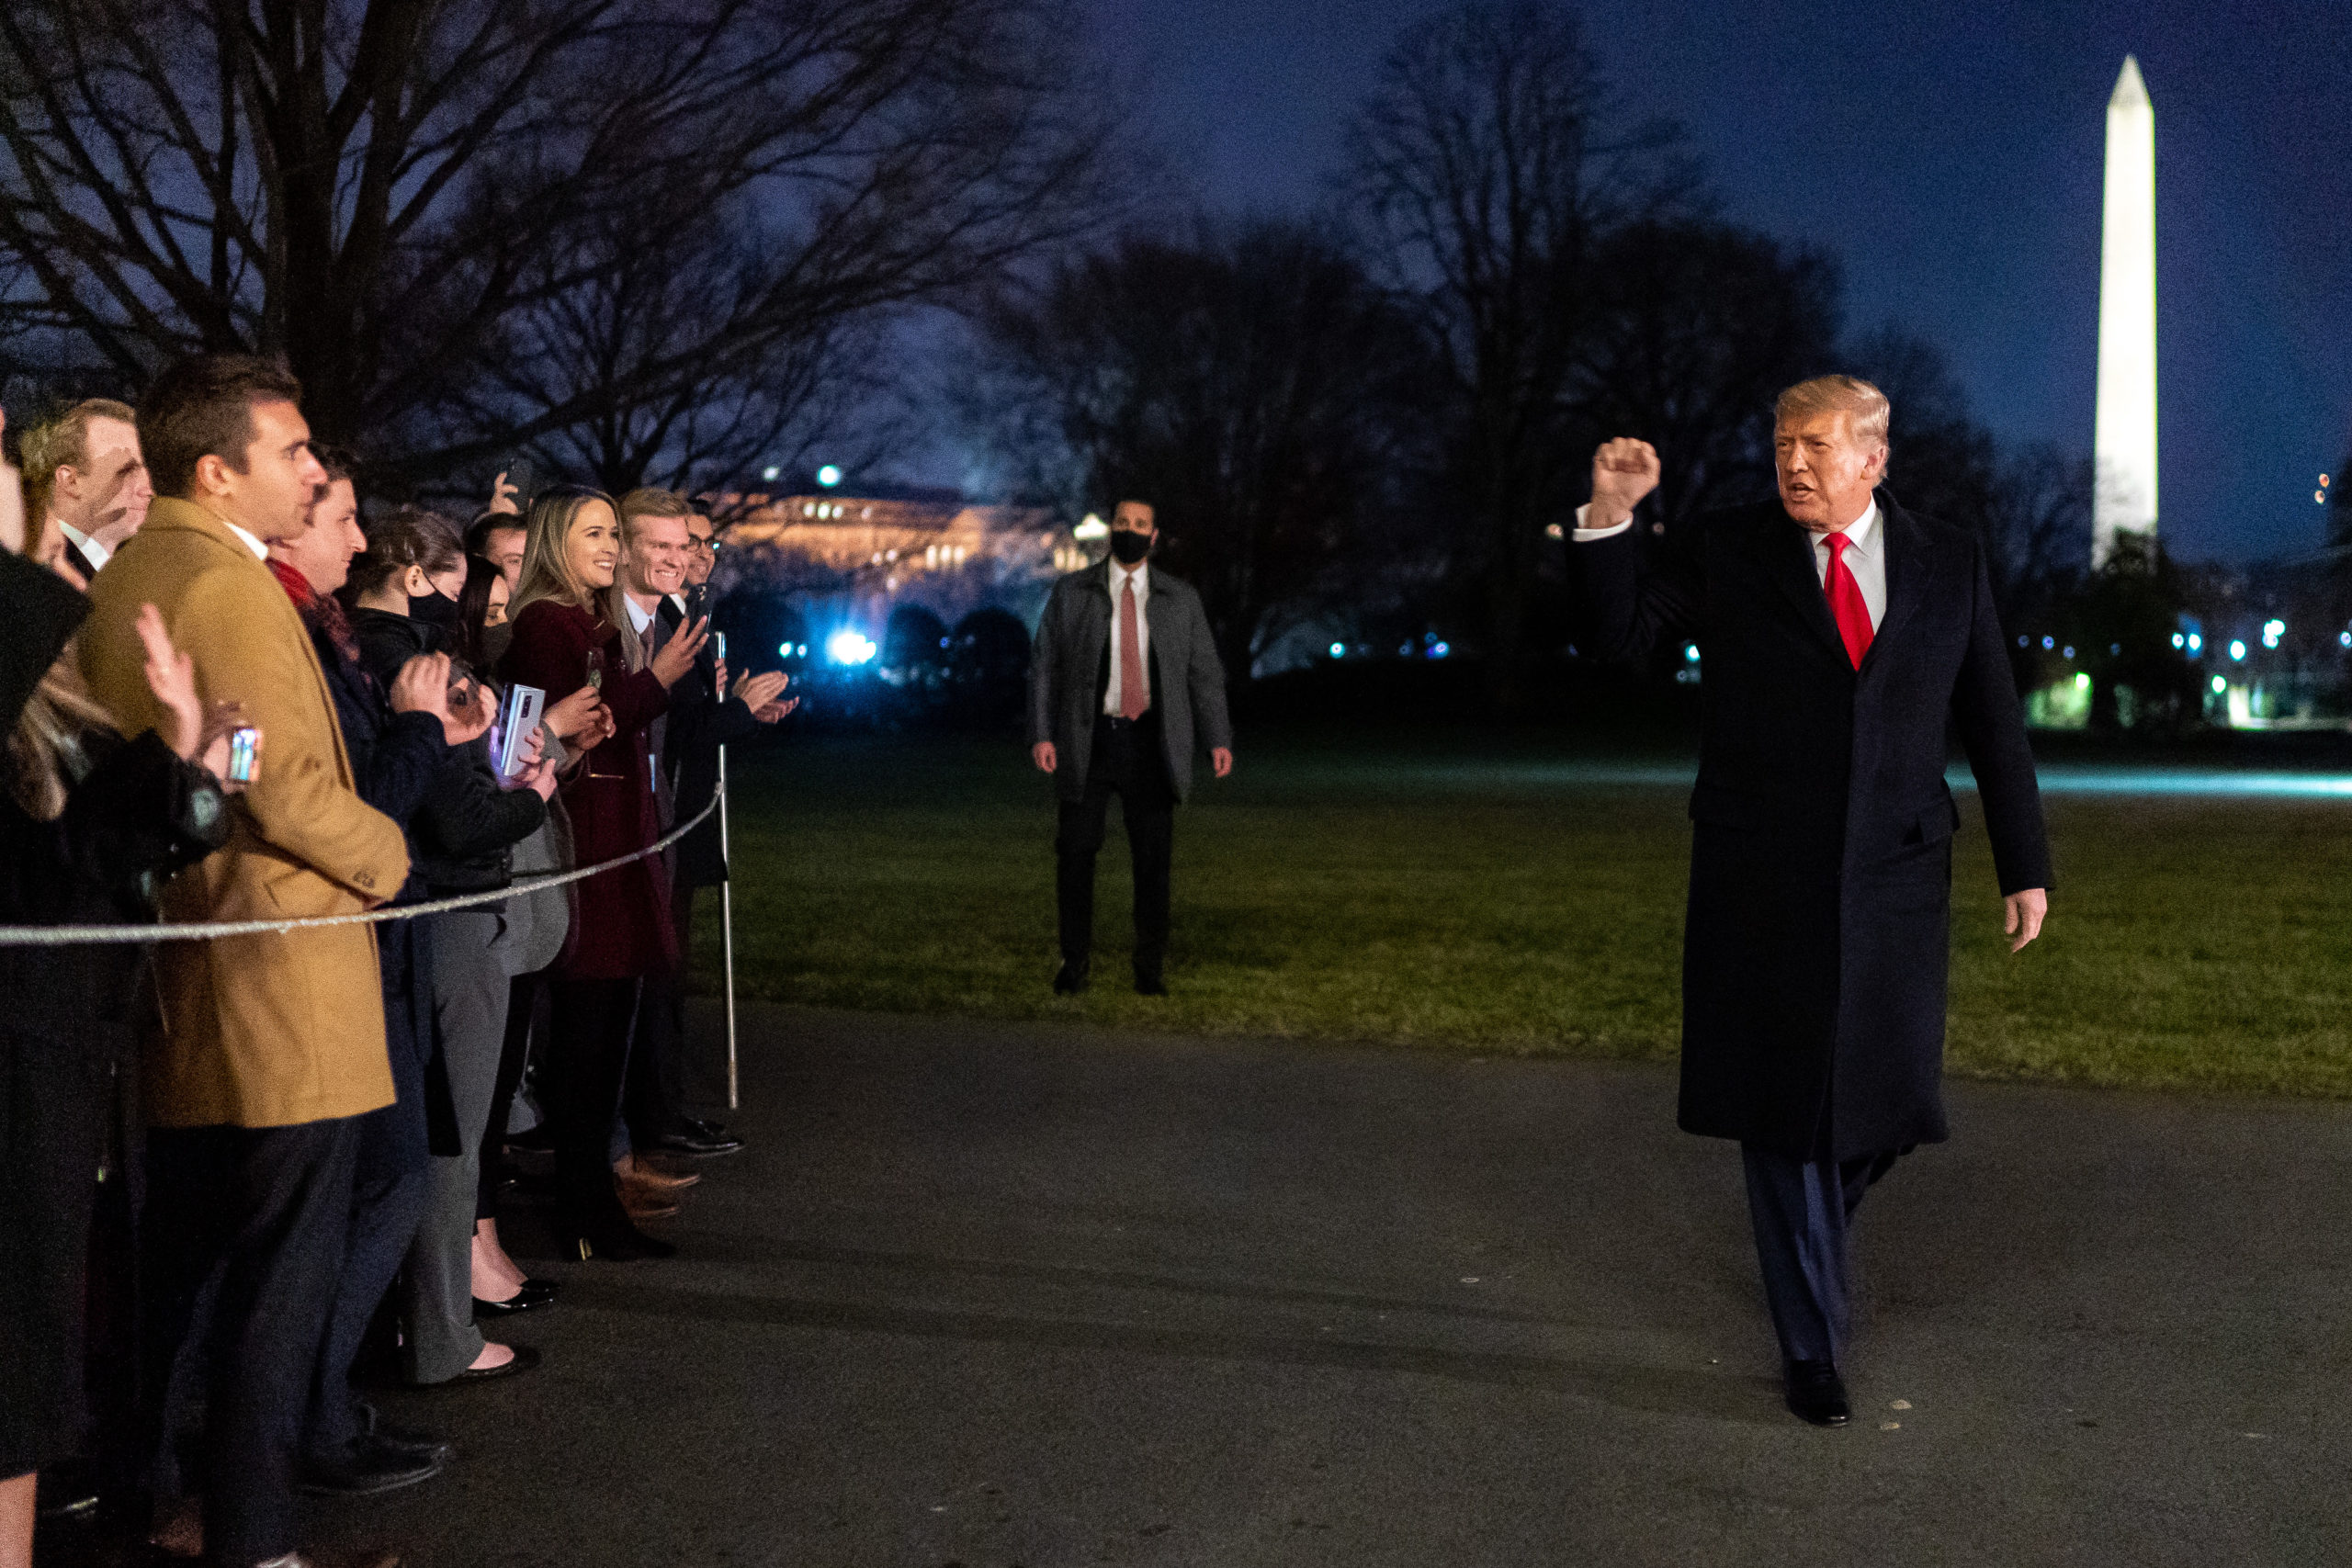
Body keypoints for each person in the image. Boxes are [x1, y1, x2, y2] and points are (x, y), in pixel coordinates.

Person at [1571, 375, 2052, 1427]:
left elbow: (1993, 721)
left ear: (1874, 457)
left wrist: (2026, 865)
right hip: (1761, 875)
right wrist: (1612, 520)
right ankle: (1810, 1347)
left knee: (1885, 1102)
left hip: (1897, 875)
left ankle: (1806, 1239)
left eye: (1817, 446)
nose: (1793, 464)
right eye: (1782, 444)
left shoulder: (1947, 558)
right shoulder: (1724, 548)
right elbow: (1622, 649)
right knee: (1784, 1108)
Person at [75, 354, 412, 1568]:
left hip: (209, 980)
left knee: (189, 1276)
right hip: (273, 984)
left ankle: (153, 1505)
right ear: (219, 469)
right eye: (296, 452)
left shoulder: (152, 566)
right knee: (275, 1291)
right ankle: (256, 1540)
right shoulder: (220, 584)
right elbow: (280, 781)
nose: (317, 471)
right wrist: (388, 850)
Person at [2, 516, 233, 1568]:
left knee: (30, 1375)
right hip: (23, 1057)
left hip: (60, 1047)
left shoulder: (49, 702)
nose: (65, 548)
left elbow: (82, 846)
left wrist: (185, 767)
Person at [341, 507, 561, 1381]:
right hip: (448, 908)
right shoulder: (404, 659)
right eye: (461, 593)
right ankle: (440, 1333)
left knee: (439, 1136)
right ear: (416, 573)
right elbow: (458, 814)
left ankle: (424, 1327)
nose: (467, 616)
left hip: (434, 906)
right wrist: (532, 794)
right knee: (450, 1136)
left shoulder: (379, 649)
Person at [498, 486, 707, 1261]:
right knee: (588, 1038)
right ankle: (585, 1209)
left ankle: (596, 1200)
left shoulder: (592, 623)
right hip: (585, 846)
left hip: (618, 841)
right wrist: (653, 681)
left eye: (615, 531)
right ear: (557, 539)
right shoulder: (547, 625)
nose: (613, 545)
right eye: (597, 531)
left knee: (607, 1031)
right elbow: (568, 722)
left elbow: (606, 716)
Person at [614, 491, 789, 1168]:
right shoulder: (655, 622)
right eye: (687, 541)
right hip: (663, 816)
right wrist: (735, 709)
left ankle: (665, 1104)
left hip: (682, 811)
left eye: (706, 543)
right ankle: (653, 1114)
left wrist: (743, 709)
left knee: (669, 970)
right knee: (656, 971)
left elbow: (688, 720)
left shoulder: (688, 615)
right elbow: (670, 723)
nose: (699, 554)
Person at [1027, 499, 1234, 996]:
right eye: (1121, 523)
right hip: (1088, 740)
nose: (1130, 532)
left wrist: (1218, 737)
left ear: (1154, 536)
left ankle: (1149, 968)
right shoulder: (1072, 592)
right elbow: (1045, 667)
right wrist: (1042, 732)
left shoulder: (1180, 599)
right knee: (1075, 855)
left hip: (1152, 744)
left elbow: (1204, 673)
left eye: (1140, 525)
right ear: (1110, 531)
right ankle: (1073, 963)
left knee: (1153, 860)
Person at [18, 399, 153, 585]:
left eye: (146, 470)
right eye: (127, 471)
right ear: (70, 481)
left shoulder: (130, 571)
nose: (148, 490)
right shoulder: (44, 574)